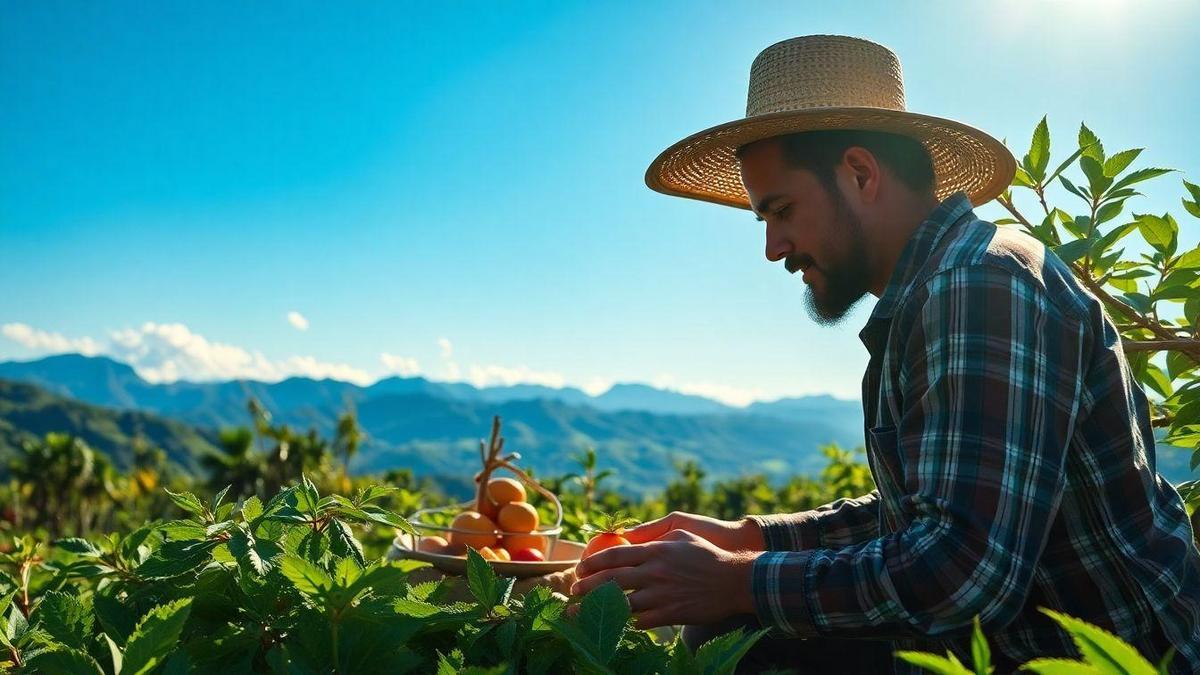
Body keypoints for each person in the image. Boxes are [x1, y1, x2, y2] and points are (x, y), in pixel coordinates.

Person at [570, 35, 1200, 673]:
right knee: (733, 631)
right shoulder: (940, 288)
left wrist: (736, 580)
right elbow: (932, 508)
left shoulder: (979, 284)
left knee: (738, 636)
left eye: (781, 211)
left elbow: (963, 573)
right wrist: (748, 540)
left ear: (861, 174)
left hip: (1114, 659)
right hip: (1019, 645)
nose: (773, 247)